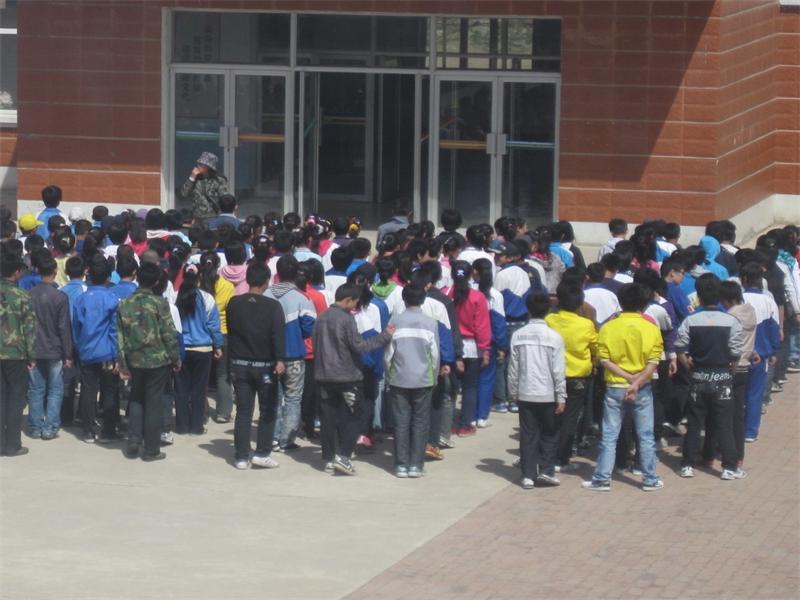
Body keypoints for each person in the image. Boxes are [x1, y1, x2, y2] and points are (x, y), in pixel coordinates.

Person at [582, 283, 664, 492]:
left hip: (615, 386)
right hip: (642, 387)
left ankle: (602, 479)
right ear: (644, 304)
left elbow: (603, 359)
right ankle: (650, 478)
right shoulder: (651, 327)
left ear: (621, 302)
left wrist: (627, 378)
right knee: (645, 435)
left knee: (609, 435)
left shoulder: (608, 327)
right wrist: (636, 382)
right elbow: (654, 361)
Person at [312, 284, 394, 475]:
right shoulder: (346, 319)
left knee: (328, 418)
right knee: (356, 415)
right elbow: (359, 346)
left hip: (324, 375)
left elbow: (315, 344)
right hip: (346, 377)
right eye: (355, 303)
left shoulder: (321, 318)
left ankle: (329, 458)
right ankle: (344, 456)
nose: (356, 306)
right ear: (348, 300)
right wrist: (384, 337)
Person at [675, 274, 744, 480]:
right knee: (724, 423)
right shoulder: (731, 321)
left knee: (694, 422)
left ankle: (687, 464)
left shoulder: (690, 320)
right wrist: (730, 371)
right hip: (722, 377)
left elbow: (680, 348)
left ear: (699, 297)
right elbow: (736, 352)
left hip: (698, 377)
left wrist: (687, 365)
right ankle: (729, 467)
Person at [116, 262, 181, 462]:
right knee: (154, 402)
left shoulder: (124, 303)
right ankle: (151, 448)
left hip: (134, 359)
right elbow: (168, 333)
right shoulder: (159, 303)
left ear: (137, 277)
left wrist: (122, 363)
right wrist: (176, 358)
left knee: (136, 398)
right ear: (155, 282)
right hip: (157, 360)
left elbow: (120, 336)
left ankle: (134, 441)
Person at [226, 262, 286, 470]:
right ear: (266, 282)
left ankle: (241, 456)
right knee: (267, 410)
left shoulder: (234, 303)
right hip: (265, 366)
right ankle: (262, 453)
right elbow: (277, 335)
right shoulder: (273, 306)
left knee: (243, 411)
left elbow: (232, 331)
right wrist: (280, 359)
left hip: (239, 364)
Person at [508, 292, 566, 489]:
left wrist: (513, 391)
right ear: (548, 310)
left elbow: (513, 368)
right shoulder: (555, 337)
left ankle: (528, 475)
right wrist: (561, 396)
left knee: (528, 434)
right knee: (549, 433)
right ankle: (546, 471)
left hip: (525, 392)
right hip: (548, 393)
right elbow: (558, 370)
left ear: (528, 310)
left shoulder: (518, 335)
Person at [385, 284, 441, 478]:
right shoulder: (430, 323)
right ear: (423, 300)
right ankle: (416, 465)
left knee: (401, 422)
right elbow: (435, 355)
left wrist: (389, 375)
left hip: (399, 378)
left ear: (404, 299)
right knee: (421, 422)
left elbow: (388, 355)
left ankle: (401, 465)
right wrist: (434, 376)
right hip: (423, 379)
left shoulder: (395, 321)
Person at [264, 255, 316, 451]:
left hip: (269, 355)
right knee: (293, 398)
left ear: (277, 272)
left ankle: (273, 437)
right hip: (294, 355)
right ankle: (286, 440)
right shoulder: (302, 298)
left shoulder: (266, 294)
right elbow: (309, 328)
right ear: (296, 274)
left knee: (273, 398)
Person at [545, 283, 597, 473]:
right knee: (570, 419)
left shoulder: (549, 320)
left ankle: (547, 456)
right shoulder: (586, 324)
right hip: (577, 377)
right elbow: (596, 348)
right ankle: (562, 459)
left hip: (551, 375)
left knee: (551, 416)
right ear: (580, 304)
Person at [73, 257, 120, 443]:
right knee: (109, 390)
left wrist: (79, 347)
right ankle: (109, 431)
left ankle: (88, 431)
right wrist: (117, 355)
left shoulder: (81, 299)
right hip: (107, 352)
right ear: (108, 277)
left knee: (88, 390)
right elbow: (115, 330)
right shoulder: (112, 299)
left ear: (89, 276)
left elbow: (76, 327)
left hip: (86, 351)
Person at [27, 254, 73, 440]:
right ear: (55, 272)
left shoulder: (30, 295)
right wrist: (68, 354)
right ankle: (50, 427)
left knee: (36, 390)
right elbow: (64, 328)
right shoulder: (60, 297)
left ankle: (35, 427)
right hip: (55, 350)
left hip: (34, 349)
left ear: (38, 271)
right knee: (55, 390)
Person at [174, 263, 224, 435]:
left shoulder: (176, 296)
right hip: (203, 349)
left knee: (181, 389)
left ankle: (181, 426)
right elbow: (213, 325)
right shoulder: (207, 298)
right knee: (199, 389)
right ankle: (197, 426)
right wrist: (218, 345)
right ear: (199, 277)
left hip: (181, 349)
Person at [0, 250, 37, 457]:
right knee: (16, 398)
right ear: (16, 272)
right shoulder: (23, 296)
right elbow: (29, 328)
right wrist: (32, 355)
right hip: (15, 353)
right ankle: (12, 444)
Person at [448, 261, 491, 436]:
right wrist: (485, 349)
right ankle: (465, 425)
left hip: (451, 346)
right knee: (470, 388)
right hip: (472, 347)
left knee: (450, 389)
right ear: (471, 274)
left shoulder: (447, 294)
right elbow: (481, 326)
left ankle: (449, 424)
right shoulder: (477, 297)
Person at [740, 262, 781, 443]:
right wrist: (774, 352)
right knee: (755, 394)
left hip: (739, 355)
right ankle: (750, 432)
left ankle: (735, 429)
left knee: (737, 393)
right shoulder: (768, 301)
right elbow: (774, 329)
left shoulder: (739, 299)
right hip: (761, 356)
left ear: (744, 279)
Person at [719, 281, 757, 468]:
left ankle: (727, 453)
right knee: (738, 413)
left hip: (730, 369)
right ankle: (739, 454)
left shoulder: (730, 317)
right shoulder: (750, 311)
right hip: (745, 367)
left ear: (727, 299)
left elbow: (727, 343)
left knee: (724, 412)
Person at [199, 251, 236, 423]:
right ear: (218, 265)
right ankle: (223, 412)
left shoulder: (195, 284)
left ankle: (201, 410)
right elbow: (231, 311)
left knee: (201, 376)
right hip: (223, 332)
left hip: (200, 334)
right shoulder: (228, 286)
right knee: (223, 375)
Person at [180, 152, 229, 224]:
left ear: (208, 166)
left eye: (201, 164)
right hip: (196, 217)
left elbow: (224, 198)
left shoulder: (218, 180)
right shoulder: (195, 178)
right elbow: (184, 193)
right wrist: (192, 177)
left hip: (212, 216)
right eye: (198, 163)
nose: (198, 166)